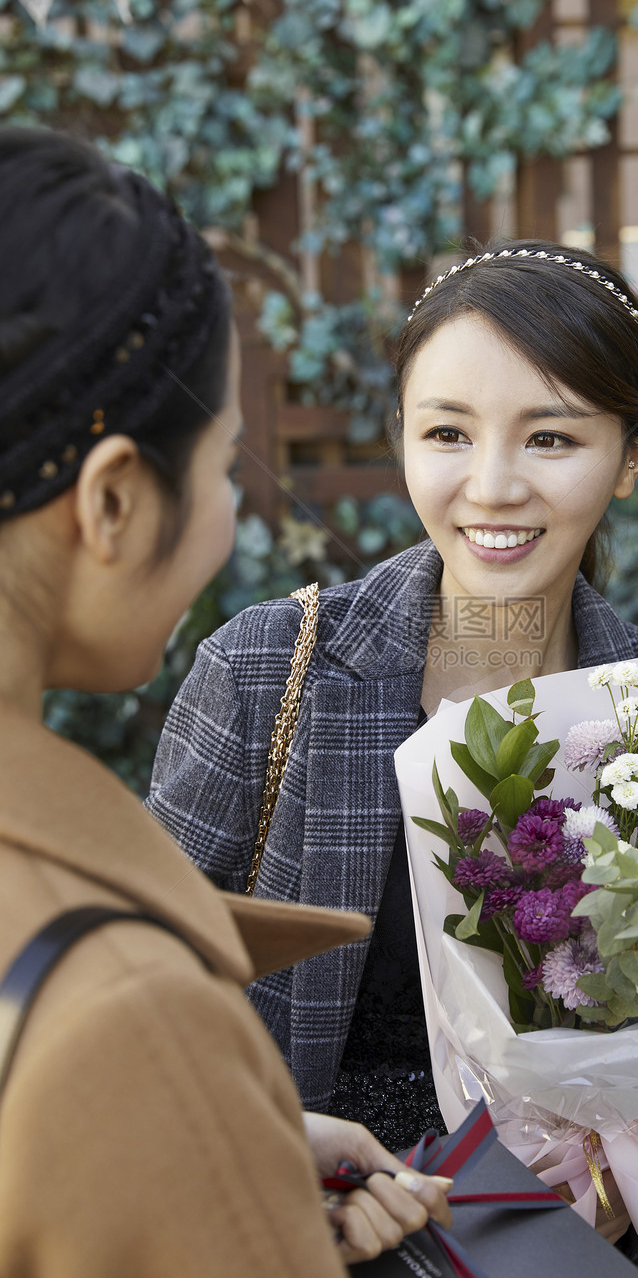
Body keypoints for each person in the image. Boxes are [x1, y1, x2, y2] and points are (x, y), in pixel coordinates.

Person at [0, 126, 452, 1278]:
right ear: (110, 503)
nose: (230, 521)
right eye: (222, 466)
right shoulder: (126, 1013)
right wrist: (200, 1142)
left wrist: (232, 1143)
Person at [148, 243, 638, 1160]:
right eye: (448, 433)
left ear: (632, 454)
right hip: (298, 1195)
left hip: (547, 1216)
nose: (494, 486)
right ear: (401, 437)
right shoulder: (268, 667)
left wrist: (615, 1160)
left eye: (551, 437)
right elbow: (141, 981)